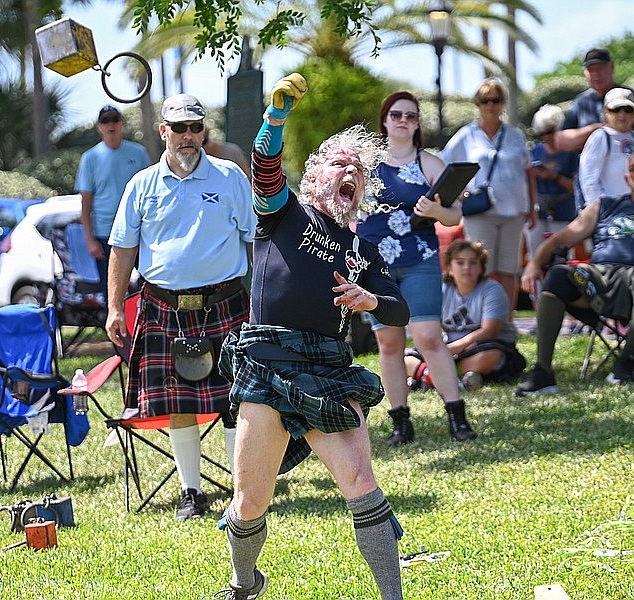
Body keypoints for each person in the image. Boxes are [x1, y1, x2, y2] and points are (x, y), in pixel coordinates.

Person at [216, 74, 410, 600]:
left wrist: (370, 301)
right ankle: (243, 582)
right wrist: (274, 119)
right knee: (251, 501)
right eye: (338, 164)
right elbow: (264, 166)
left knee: (361, 484)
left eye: (358, 171)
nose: (349, 172)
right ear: (314, 176)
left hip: (327, 369)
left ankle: (392, 594)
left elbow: (398, 308)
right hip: (268, 361)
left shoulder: (362, 252)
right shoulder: (282, 213)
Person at [105, 94, 255, 521]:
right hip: (163, 308)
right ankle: (192, 492)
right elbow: (122, 249)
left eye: (196, 128)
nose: (188, 137)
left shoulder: (229, 177)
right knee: (178, 405)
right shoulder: (141, 185)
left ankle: (241, 492)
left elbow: (256, 239)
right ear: (163, 131)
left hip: (225, 303)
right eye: (180, 128)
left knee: (235, 398)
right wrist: (116, 307)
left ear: (204, 132)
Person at [515, 149, 634, 395]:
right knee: (558, 276)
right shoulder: (605, 206)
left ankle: (625, 361)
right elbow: (561, 239)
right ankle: (542, 372)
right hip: (599, 278)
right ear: (627, 179)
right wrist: (533, 264)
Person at [357, 91, 476, 447]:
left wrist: (435, 212)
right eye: (396, 115)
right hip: (375, 266)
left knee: (428, 338)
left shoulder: (430, 163)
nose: (403, 121)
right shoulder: (365, 162)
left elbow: (455, 213)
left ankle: (456, 415)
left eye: (411, 116)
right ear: (384, 119)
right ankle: (400, 423)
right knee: (389, 344)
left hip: (419, 258)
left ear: (417, 124)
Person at [440, 77, 537, 313]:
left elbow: (528, 171)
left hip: (514, 211)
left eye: (496, 100)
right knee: (480, 268)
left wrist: (533, 206)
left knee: (509, 270)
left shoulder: (515, 135)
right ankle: (479, 319)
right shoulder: (466, 135)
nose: (491, 105)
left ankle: (505, 325)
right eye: (485, 100)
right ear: (478, 103)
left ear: (502, 103)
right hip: (480, 212)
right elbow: (444, 165)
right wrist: (459, 192)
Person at [405, 239, 526, 391]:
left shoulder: (492, 289)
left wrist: (454, 348)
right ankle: (432, 375)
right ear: (449, 268)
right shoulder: (440, 289)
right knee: (405, 359)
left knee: (491, 356)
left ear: (482, 267)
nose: (467, 267)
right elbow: (423, 322)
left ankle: (431, 377)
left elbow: (490, 331)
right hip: (447, 350)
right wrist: (437, 349)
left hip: (482, 347)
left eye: (473, 262)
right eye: (460, 262)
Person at [75, 105, 151, 304]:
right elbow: (86, 203)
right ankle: (117, 334)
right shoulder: (90, 158)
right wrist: (90, 240)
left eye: (114, 120)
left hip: (139, 232)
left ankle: (146, 331)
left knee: (150, 286)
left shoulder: (139, 152)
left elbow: (153, 194)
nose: (111, 125)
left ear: (121, 124)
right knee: (112, 292)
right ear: (99, 127)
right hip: (105, 235)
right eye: (105, 121)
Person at [556, 48, 634, 210]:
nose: (622, 114)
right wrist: (599, 129)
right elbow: (561, 141)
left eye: (600, 69)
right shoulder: (581, 102)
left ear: (611, 68)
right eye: (591, 70)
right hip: (595, 193)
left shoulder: (627, 95)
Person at [525, 104, 579, 261]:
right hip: (538, 213)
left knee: (564, 259)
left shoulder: (570, 153)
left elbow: (577, 188)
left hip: (564, 212)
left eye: (549, 132)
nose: (546, 137)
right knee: (535, 258)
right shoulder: (534, 152)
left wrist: (554, 177)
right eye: (541, 134)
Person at [577, 88, 634, 209]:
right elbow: (588, 180)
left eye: (628, 110)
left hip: (633, 210)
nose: (622, 114)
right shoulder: (600, 137)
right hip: (609, 213)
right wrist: (600, 210)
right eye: (616, 109)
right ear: (605, 112)